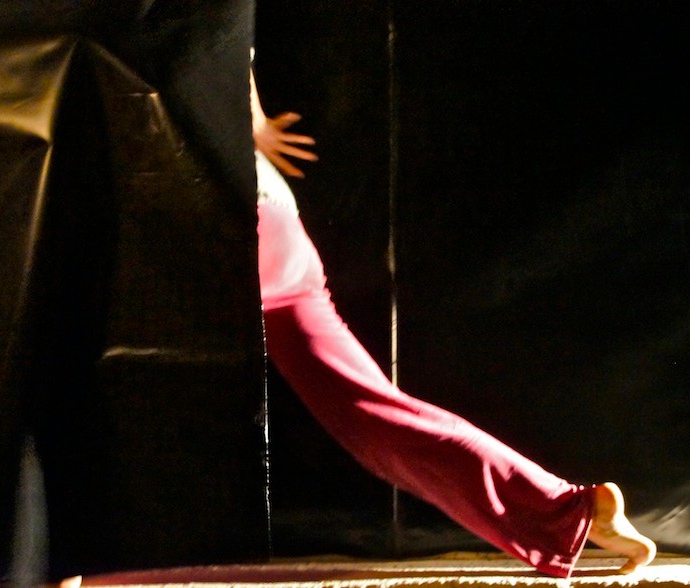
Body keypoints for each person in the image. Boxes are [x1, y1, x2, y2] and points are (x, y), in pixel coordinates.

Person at [249, 69, 657, 578]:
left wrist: (249, 125)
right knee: (372, 416)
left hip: (233, 218)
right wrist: (253, 123)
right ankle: (567, 509)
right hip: (278, 226)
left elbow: (198, 47)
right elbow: (220, 47)